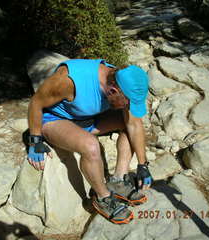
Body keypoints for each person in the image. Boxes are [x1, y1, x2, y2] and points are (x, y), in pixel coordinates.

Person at [27, 59, 153, 224]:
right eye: (127, 103)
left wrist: (143, 165)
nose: (128, 107)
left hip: (87, 118)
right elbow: (36, 102)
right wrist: (34, 141)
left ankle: (118, 180)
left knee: (128, 123)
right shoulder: (68, 81)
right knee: (91, 146)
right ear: (113, 91)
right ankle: (102, 197)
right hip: (55, 120)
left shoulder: (121, 79)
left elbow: (134, 125)